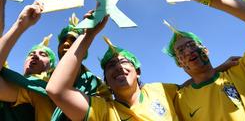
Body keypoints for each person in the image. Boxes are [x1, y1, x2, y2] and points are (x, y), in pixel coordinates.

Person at [45, 11, 180, 121]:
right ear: (106, 82)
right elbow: (56, 90)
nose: (118, 67)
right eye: (111, 65)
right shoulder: (102, 112)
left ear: (137, 71)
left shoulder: (163, 91)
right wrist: (88, 35)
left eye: (124, 61)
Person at [165, 0, 245, 120]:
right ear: (179, 63)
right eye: (180, 51)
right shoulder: (178, 101)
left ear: (205, 50)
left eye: (192, 44)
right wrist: (220, 67)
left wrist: (207, 0)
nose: (188, 51)